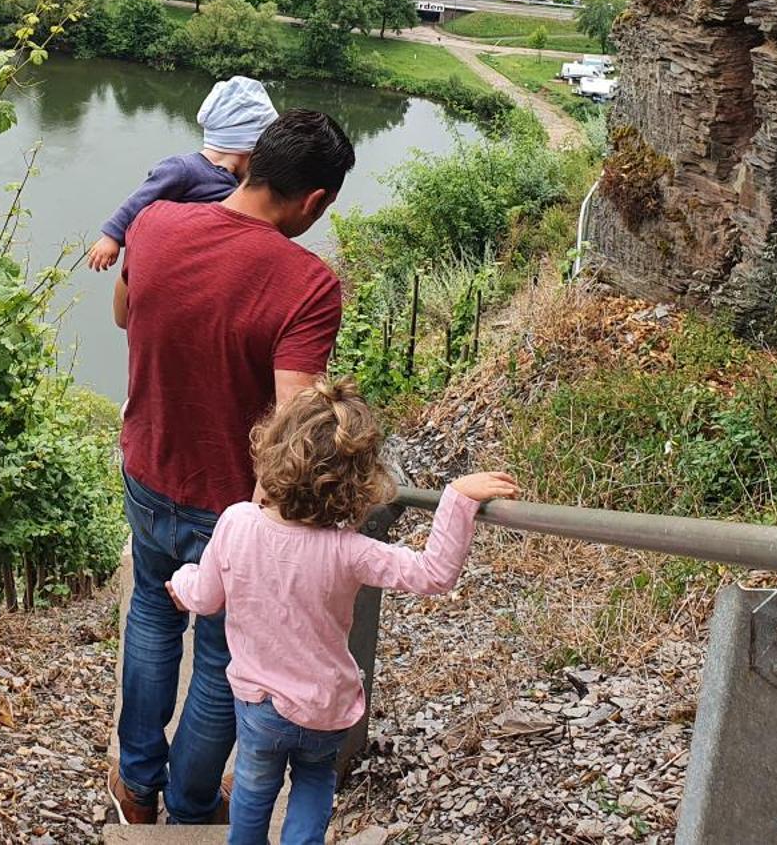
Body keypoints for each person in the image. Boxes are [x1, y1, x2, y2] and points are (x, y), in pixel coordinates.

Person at [108, 108, 357, 827]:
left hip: (148, 466)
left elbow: (126, 314)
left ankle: (135, 788)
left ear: (250, 164)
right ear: (315, 202)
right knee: (221, 656)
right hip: (231, 507)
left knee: (152, 614)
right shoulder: (307, 283)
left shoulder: (154, 223)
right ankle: (190, 803)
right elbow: (295, 424)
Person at [167, 380, 521, 845]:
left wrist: (182, 581)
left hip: (260, 706)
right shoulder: (349, 551)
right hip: (325, 708)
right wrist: (456, 499)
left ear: (272, 450)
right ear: (356, 482)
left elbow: (207, 596)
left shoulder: (236, 523)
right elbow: (433, 573)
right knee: (314, 781)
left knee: (253, 787)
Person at [85, 76, 279, 271]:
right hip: (169, 257)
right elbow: (140, 199)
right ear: (250, 150)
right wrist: (112, 238)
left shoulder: (234, 183)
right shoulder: (184, 169)